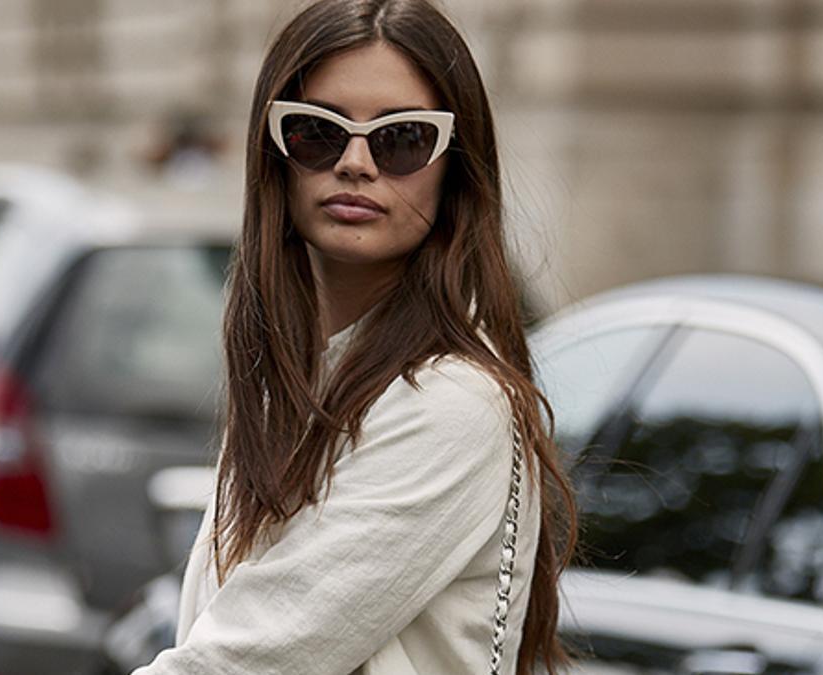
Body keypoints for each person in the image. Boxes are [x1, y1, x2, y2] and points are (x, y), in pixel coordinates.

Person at [133, 1, 577, 674]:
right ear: (275, 155)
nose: (356, 163)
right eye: (318, 132)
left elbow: (242, 661)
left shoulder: (451, 402)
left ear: (454, 168)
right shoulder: (291, 377)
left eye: (402, 140)